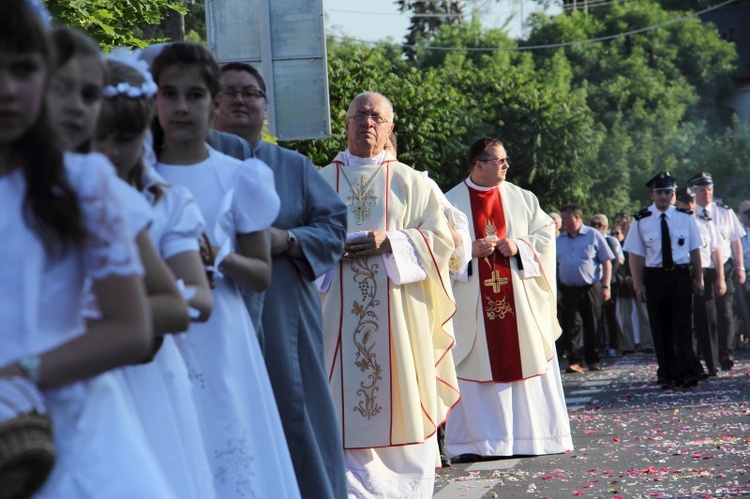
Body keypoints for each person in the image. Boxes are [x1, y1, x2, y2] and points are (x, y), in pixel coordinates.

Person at [0, 3, 174, 496]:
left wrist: (20, 373)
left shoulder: (81, 184)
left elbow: (132, 327)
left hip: (69, 430)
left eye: (24, 68)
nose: (8, 87)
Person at [150, 42, 300, 498]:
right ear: (154, 101)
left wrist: (220, 256)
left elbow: (260, 274)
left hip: (222, 329)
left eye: (194, 95)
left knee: (231, 451)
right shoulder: (139, 178)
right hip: (158, 335)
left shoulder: (239, 177)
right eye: (169, 94)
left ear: (212, 102)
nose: (181, 107)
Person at [212, 61, 349, 498]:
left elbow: (334, 226)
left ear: (265, 109)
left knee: (297, 412)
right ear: (211, 103)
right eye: (229, 91)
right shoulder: (195, 162)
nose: (239, 99)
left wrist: (288, 239)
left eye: (250, 93)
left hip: (286, 311)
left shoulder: (294, 166)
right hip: (214, 310)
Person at [318, 92, 460, 497]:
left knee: (403, 393)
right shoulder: (317, 181)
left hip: (399, 325)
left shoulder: (413, 183)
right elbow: (296, 238)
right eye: (358, 114)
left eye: (376, 116)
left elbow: (441, 242)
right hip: (333, 323)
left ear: (390, 128)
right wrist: (328, 245)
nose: (367, 121)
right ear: (345, 124)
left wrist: (393, 241)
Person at [94, 52, 218, 498]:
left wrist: (119, 315)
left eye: (124, 138)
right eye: (98, 137)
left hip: (148, 366)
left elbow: (199, 300)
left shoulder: (164, 202)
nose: (110, 151)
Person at [444, 137, 572, 461]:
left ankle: (535, 438)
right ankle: (477, 445)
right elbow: (436, 250)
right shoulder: (448, 203)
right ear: (478, 164)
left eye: (506, 159)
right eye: (499, 160)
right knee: (476, 365)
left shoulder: (523, 198)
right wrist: (467, 251)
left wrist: (519, 246)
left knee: (525, 356)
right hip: (471, 307)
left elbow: (545, 235)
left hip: (520, 304)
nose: (506, 165)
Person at [623, 172, 703, 389]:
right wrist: (638, 284)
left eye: (668, 192)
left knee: (683, 327)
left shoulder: (685, 217)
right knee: (661, 329)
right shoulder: (641, 220)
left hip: (680, 275)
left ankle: (687, 372)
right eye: (659, 193)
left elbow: (695, 250)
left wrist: (699, 278)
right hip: (655, 276)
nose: (664, 197)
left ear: (674, 194)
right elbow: (635, 255)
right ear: (652, 195)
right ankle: (667, 373)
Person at [688, 172, 746, 371]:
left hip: (724, 264)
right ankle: (707, 354)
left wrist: (740, 267)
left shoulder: (724, 211)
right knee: (705, 313)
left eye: (709, 189)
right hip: (701, 267)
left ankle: (725, 353)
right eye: (702, 190)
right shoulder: (689, 213)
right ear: (694, 192)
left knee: (726, 312)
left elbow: (735, 240)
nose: (707, 193)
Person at [674, 186, 725, 378]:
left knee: (707, 321)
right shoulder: (673, 222)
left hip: (705, 271)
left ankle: (713, 364)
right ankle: (691, 364)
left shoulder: (705, 222)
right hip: (682, 272)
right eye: (685, 201)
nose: (689, 205)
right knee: (686, 322)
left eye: (692, 201)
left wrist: (720, 278)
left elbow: (716, 251)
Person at [557, 204, 614, 372]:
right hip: (568, 288)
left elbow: (607, 261)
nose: (563, 222)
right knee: (573, 324)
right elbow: (554, 265)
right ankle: (575, 360)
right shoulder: (559, 240)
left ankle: (593, 359)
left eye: (566, 219)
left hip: (591, 286)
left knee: (592, 323)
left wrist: (606, 286)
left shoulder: (593, 234)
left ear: (577, 217)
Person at [614, 221, 655, 355]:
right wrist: (626, 278)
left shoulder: (644, 246)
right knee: (625, 317)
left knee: (645, 315)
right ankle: (628, 345)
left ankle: (648, 343)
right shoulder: (620, 246)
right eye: (628, 229)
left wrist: (639, 280)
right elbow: (618, 264)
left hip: (641, 284)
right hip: (624, 286)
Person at [590, 214, 623, 357]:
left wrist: (607, 280)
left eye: (599, 224)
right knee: (597, 317)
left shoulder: (611, 240)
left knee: (611, 315)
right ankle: (599, 345)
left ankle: (613, 345)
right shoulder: (589, 239)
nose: (597, 227)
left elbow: (619, 260)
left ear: (605, 226)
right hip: (594, 283)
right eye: (594, 224)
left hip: (611, 282)